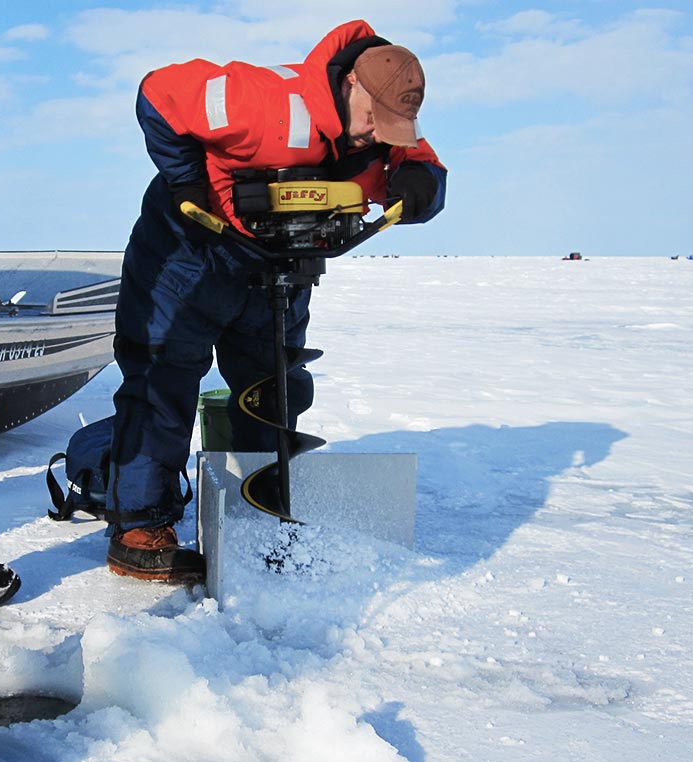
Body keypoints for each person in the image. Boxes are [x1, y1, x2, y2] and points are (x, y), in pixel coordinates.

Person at [106, 20, 447, 582]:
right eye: (374, 119)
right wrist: (187, 180)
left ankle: (260, 507)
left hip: (278, 265)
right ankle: (139, 525)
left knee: (273, 389)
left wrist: (421, 186)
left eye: (394, 127)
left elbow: (426, 165)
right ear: (352, 85)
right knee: (162, 383)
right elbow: (159, 93)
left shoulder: (386, 128)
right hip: (190, 251)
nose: (377, 136)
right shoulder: (266, 102)